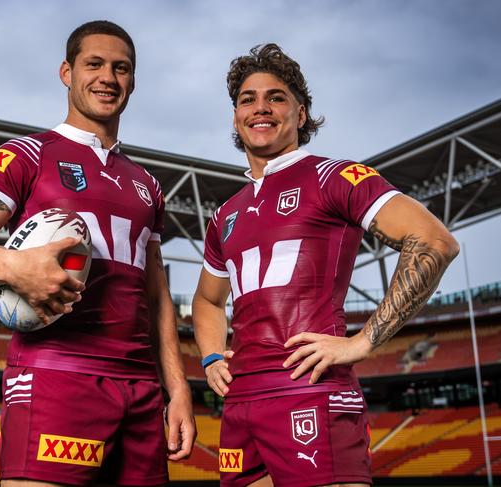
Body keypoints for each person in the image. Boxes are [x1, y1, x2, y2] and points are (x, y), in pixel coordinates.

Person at [0, 20, 195, 486]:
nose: (108, 78)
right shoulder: (27, 155)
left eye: (121, 68)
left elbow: (157, 299)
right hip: (56, 376)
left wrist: (178, 390)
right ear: (66, 72)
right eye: (94, 64)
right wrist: (12, 266)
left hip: (141, 391)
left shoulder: (148, 185)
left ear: (133, 81)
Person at [192, 43, 459, 487]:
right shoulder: (225, 214)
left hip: (311, 391)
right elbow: (206, 299)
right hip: (241, 403)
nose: (261, 108)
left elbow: (433, 240)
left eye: (276, 97)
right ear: (235, 117)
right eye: (247, 99)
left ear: (301, 114)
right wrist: (211, 356)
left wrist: (363, 341)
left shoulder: (334, 177)